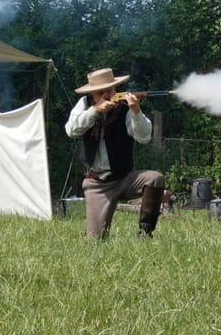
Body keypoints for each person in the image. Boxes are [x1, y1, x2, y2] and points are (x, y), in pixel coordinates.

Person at [65, 68, 165, 239]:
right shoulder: (84, 104)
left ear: (115, 89)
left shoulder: (126, 107)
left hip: (124, 179)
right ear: (92, 94)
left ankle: (145, 234)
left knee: (155, 179)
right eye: (100, 93)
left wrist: (136, 111)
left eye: (109, 91)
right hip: (96, 183)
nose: (106, 95)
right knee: (95, 241)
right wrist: (95, 111)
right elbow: (71, 130)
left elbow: (144, 137)